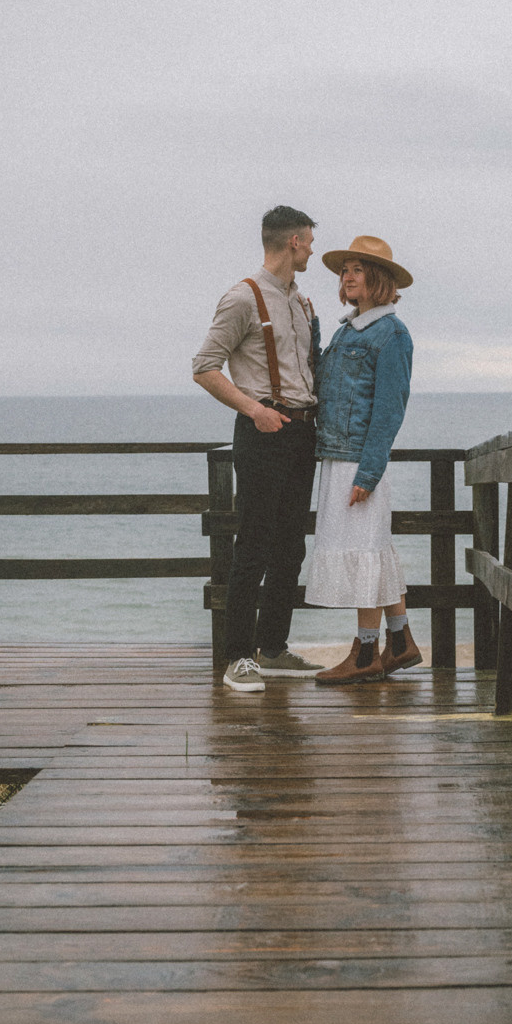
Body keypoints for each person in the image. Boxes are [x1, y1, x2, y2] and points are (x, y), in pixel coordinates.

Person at [192, 206, 325, 693]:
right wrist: (254, 411)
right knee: (253, 545)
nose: (312, 248)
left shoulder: (302, 302)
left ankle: (272, 649)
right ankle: (237, 658)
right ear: (293, 241)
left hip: (303, 432)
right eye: (309, 240)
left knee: (291, 546)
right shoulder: (242, 297)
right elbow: (204, 366)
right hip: (264, 430)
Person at [306, 236, 423, 684]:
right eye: (344, 270)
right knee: (371, 550)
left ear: (379, 279)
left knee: (363, 554)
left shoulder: (392, 334)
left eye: (357, 269)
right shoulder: (346, 330)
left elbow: (390, 410)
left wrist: (369, 472)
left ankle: (365, 654)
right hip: (337, 455)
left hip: (358, 461)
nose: (347, 277)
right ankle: (400, 641)